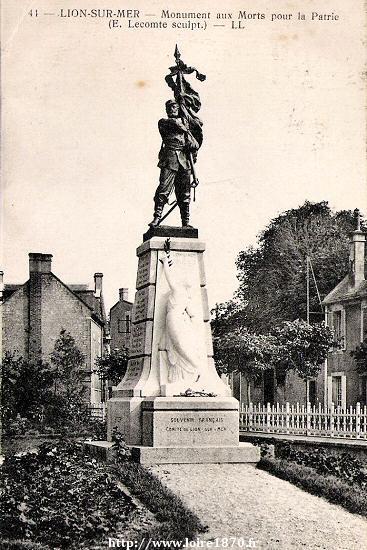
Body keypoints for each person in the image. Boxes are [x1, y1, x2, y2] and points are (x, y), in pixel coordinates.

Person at [149, 100, 199, 228]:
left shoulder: (185, 125)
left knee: (185, 193)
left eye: (175, 108)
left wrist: (195, 174)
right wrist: (184, 121)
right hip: (170, 158)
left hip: (184, 161)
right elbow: (174, 123)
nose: (172, 110)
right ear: (167, 110)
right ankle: (157, 217)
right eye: (170, 108)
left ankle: (185, 222)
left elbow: (192, 146)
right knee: (163, 189)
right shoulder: (164, 122)